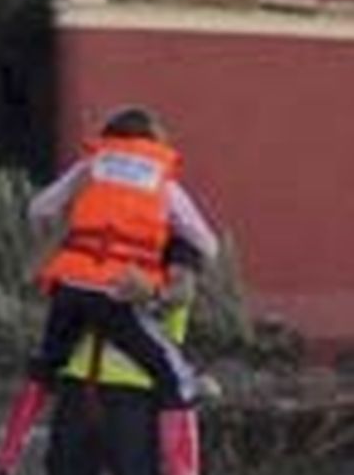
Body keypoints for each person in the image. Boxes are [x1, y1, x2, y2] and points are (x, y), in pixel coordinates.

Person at [0, 236, 234, 475]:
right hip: (136, 397)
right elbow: (179, 297)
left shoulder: (88, 244)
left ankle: (8, 453)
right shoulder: (172, 248)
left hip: (78, 390)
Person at [24, 106, 219, 414]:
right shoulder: (162, 181)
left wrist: (57, 240)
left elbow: (40, 209)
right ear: (156, 144)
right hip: (118, 290)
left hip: (70, 285)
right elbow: (207, 242)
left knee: (45, 366)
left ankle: (7, 456)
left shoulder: (89, 169)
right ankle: (183, 454)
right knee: (171, 373)